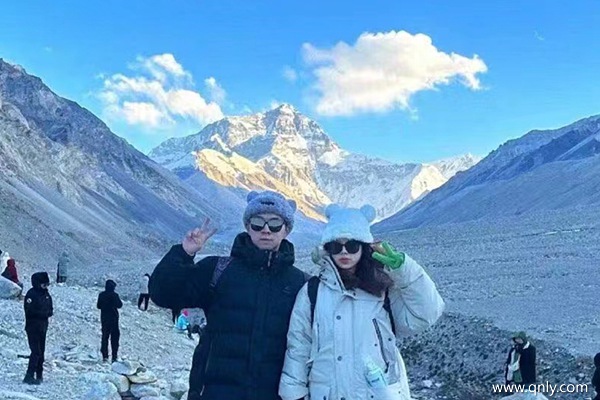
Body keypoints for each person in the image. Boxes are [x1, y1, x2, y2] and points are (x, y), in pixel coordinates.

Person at [149, 190, 305, 400]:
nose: (266, 229)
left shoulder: (300, 283)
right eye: (257, 222)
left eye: (275, 223)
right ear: (248, 226)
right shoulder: (217, 270)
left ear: (287, 229)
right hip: (214, 392)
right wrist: (184, 253)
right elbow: (163, 294)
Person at [279, 204, 445, 400]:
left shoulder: (384, 289)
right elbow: (299, 346)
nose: (344, 252)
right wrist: (293, 394)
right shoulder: (313, 291)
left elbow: (426, 314)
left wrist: (404, 270)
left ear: (364, 247)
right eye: (336, 246)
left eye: (352, 246)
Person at [23, 272, 53, 385]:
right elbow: (29, 311)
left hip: (43, 327)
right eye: (43, 285)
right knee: (36, 352)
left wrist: (48, 313)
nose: (45, 287)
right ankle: (29, 375)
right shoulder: (31, 294)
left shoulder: (46, 294)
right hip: (33, 327)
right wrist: (43, 314)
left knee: (42, 352)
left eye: (47, 285)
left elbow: (50, 307)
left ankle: (39, 374)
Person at [97, 279, 123, 363]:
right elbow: (120, 305)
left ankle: (105, 356)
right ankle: (114, 356)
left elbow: (98, 306)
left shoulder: (101, 295)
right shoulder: (114, 295)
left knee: (105, 337)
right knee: (114, 338)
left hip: (104, 318)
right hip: (113, 319)